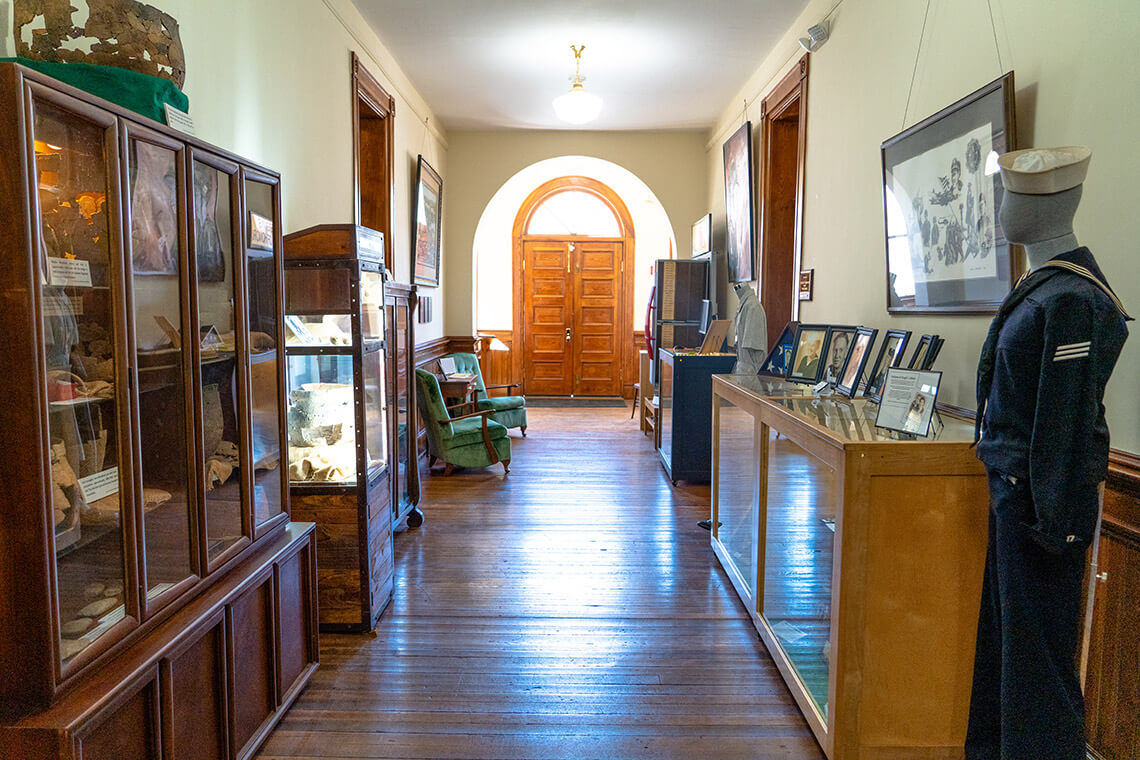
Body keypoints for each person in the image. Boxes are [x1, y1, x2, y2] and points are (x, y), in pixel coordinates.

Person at [967, 146, 1130, 760]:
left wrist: (1052, 525)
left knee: (1038, 668)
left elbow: (1063, 423)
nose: (1003, 211)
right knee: (1007, 652)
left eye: (1013, 198)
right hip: (1016, 497)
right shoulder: (1044, 285)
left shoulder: (1072, 300)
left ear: (1046, 208)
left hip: (1040, 507)